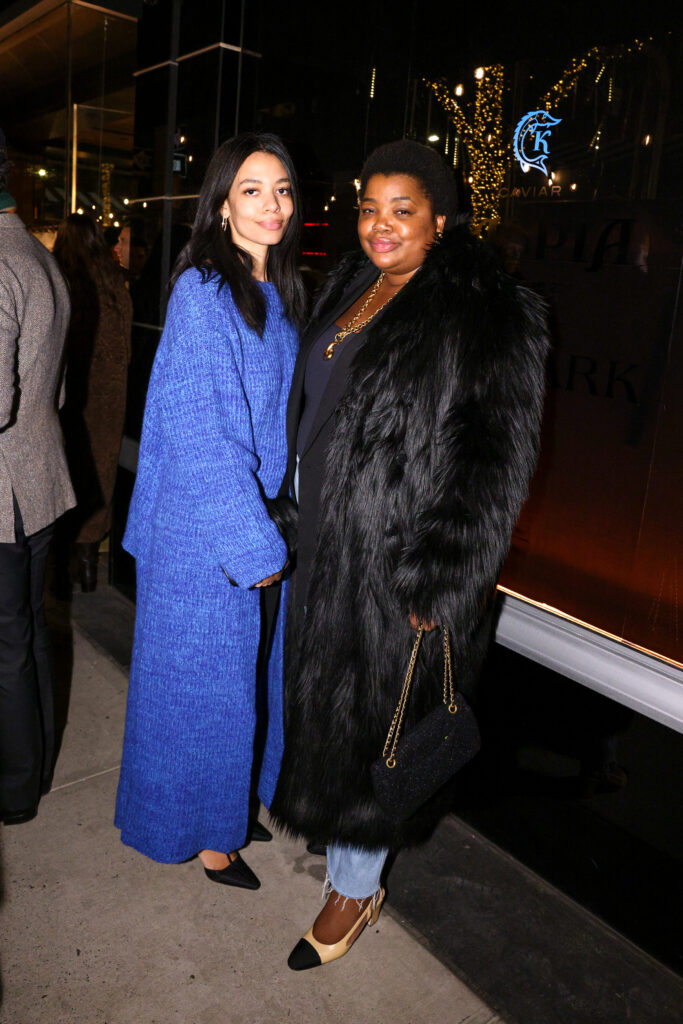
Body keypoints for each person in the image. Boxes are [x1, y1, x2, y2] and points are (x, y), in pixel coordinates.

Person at [269, 140, 548, 968]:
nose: (380, 225)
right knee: (323, 704)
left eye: (402, 210)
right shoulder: (352, 286)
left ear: (440, 219)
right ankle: (332, 829)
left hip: (397, 564)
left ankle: (355, 890)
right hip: (321, 542)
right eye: (368, 208)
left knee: (375, 726)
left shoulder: (484, 310)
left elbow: (493, 461)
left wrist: (443, 574)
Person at [114, 133, 305, 889]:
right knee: (199, 695)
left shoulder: (275, 292)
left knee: (237, 686)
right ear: (222, 204)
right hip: (203, 533)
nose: (271, 205)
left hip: (249, 521)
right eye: (252, 190)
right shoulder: (204, 292)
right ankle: (203, 835)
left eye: (282, 189)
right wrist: (254, 547)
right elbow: (203, 433)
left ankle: (226, 805)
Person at [0, 129, 75, 824]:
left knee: (9, 644)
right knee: (24, 634)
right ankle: (32, 770)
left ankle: (15, 788)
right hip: (42, 478)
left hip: (7, 495)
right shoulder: (37, 254)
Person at [53, 214, 132, 591]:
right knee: (100, 474)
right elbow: (125, 345)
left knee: (65, 473)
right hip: (110, 396)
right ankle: (87, 570)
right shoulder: (116, 281)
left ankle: (59, 574)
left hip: (70, 393)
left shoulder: (59, 277)